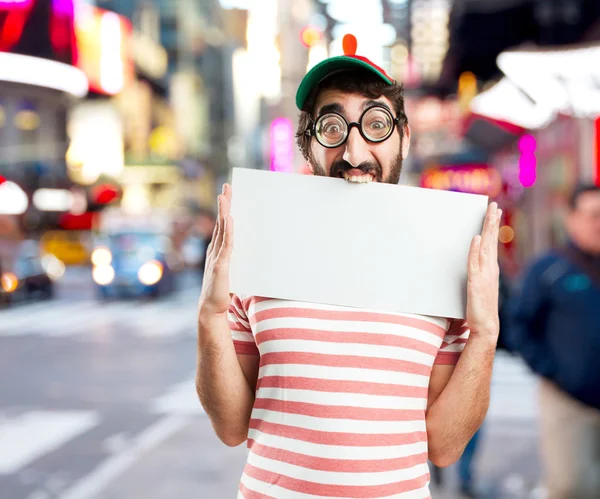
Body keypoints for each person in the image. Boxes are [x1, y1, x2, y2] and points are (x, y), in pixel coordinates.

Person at [196, 34, 502, 498]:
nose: (355, 155)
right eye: (333, 128)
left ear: (403, 135)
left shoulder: (445, 257)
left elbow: (444, 446)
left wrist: (485, 333)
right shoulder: (261, 245)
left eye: (375, 123)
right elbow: (231, 426)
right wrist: (210, 314)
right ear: (308, 145)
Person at [506, 184, 600, 499]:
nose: (598, 223)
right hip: (568, 401)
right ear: (571, 218)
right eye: (593, 215)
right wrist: (552, 369)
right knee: (572, 486)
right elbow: (519, 325)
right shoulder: (549, 269)